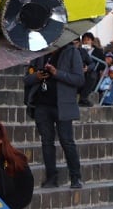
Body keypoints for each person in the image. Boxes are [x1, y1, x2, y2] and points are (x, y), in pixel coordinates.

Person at [25, 44, 84, 188]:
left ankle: (75, 177)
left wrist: (57, 73)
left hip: (62, 105)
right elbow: (26, 79)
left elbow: (79, 79)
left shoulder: (71, 52)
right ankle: (51, 177)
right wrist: (37, 76)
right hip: (41, 105)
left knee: (67, 141)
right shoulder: (39, 52)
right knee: (46, 142)